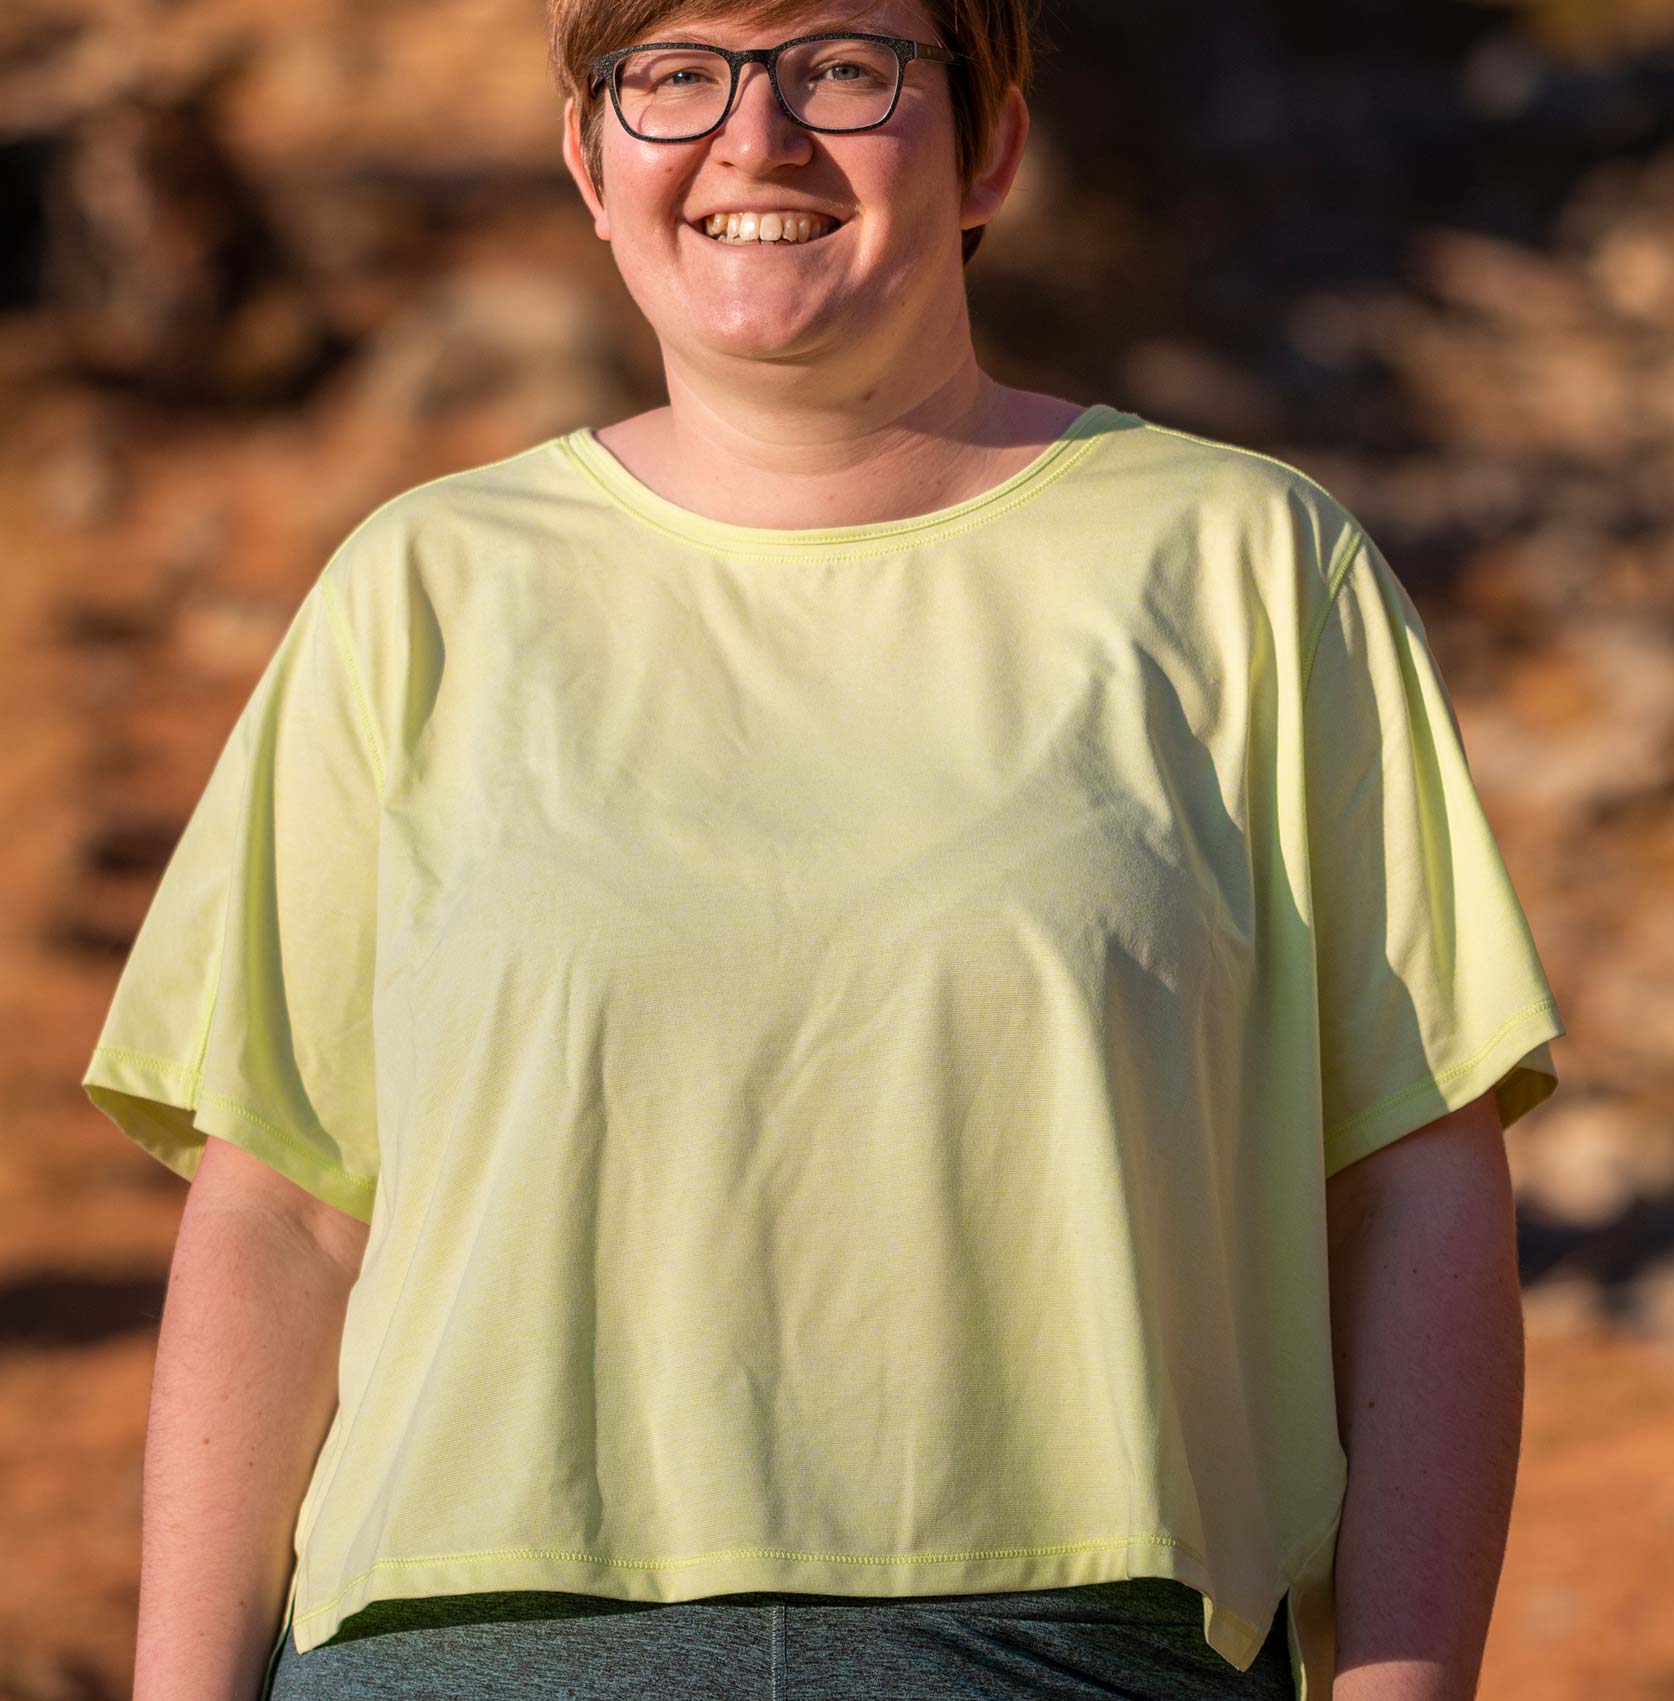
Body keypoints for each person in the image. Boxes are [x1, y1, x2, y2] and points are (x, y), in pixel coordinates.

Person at [79, 0, 1566, 1696]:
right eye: (674, 72)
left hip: (1061, 1658)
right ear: (590, 160)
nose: (755, 136)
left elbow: (1410, 1184)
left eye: (844, 66)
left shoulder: (1248, 569)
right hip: (457, 1655)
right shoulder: (419, 590)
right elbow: (283, 1217)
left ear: (989, 145)